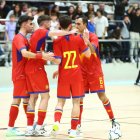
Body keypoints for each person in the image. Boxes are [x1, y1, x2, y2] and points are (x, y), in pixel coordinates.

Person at [24, 15, 77, 136]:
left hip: (31, 66)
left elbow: (36, 49)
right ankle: (38, 127)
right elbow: (56, 33)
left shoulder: (37, 33)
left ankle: (29, 128)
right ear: (45, 22)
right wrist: (70, 32)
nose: (51, 24)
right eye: (49, 22)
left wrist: (44, 54)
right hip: (36, 68)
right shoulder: (42, 31)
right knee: (45, 97)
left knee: (33, 97)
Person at [6, 15, 53, 137]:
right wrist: (41, 56)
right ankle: (11, 128)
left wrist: (42, 54)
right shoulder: (19, 38)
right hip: (19, 74)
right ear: (24, 24)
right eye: (30, 23)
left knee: (28, 99)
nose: (32, 26)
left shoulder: (24, 38)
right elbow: (25, 53)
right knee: (17, 99)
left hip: (24, 73)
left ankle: (30, 127)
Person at [75, 16, 122, 140]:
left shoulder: (93, 36)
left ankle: (113, 121)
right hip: (82, 73)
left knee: (102, 96)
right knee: (79, 98)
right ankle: (77, 125)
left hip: (95, 72)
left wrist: (87, 41)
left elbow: (92, 51)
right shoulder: (75, 38)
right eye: (76, 24)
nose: (76, 26)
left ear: (85, 24)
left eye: (79, 24)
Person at [51, 15, 91, 139]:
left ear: (59, 26)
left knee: (60, 102)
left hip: (64, 75)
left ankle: (56, 122)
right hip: (76, 74)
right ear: (70, 25)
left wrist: (51, 57)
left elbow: (57, 61)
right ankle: (73, 131)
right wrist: (85, 41)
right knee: (76, 102)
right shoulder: (78, 39)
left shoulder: (57, 41)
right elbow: (88, 55)